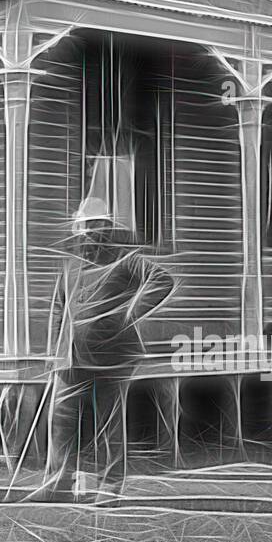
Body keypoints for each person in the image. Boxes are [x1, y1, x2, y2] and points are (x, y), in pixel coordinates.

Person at [28, 197, 175, 505]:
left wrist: (128, 314)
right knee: (62, 422)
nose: (91, 234)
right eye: (85, 227)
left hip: (112, 357)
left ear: (108, 229)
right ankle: (59, 482)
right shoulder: (70, 263)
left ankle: (109, 486)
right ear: (77, 230)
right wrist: (56, 353)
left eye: (97, 227)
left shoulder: (126, 259)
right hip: (72, 358)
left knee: (108, 422)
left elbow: (162, 280)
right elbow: (59, 309)